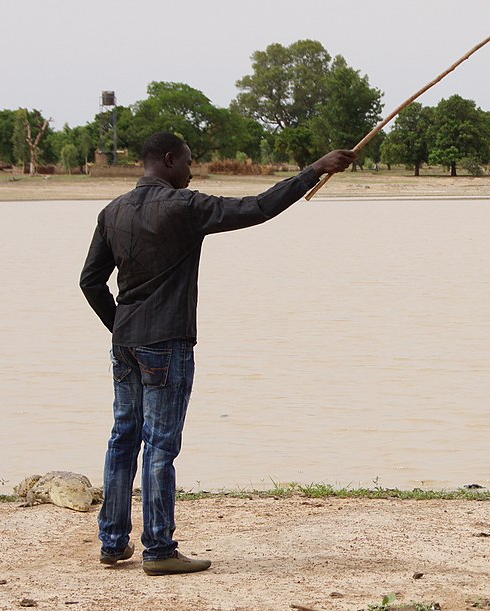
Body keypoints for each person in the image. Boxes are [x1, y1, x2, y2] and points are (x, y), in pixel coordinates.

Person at [80, 132, 356, 575]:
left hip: (125, 343)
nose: (192, 170)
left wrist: (121, 327)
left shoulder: (112, 211)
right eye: (188, 161)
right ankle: (158, 550)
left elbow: (90, 282)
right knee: (160, 445)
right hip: (167, 341)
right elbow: (258, 207)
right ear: (168, 160)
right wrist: (315, 170)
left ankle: (113, 542)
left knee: (123, 438)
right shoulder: (183, 208)